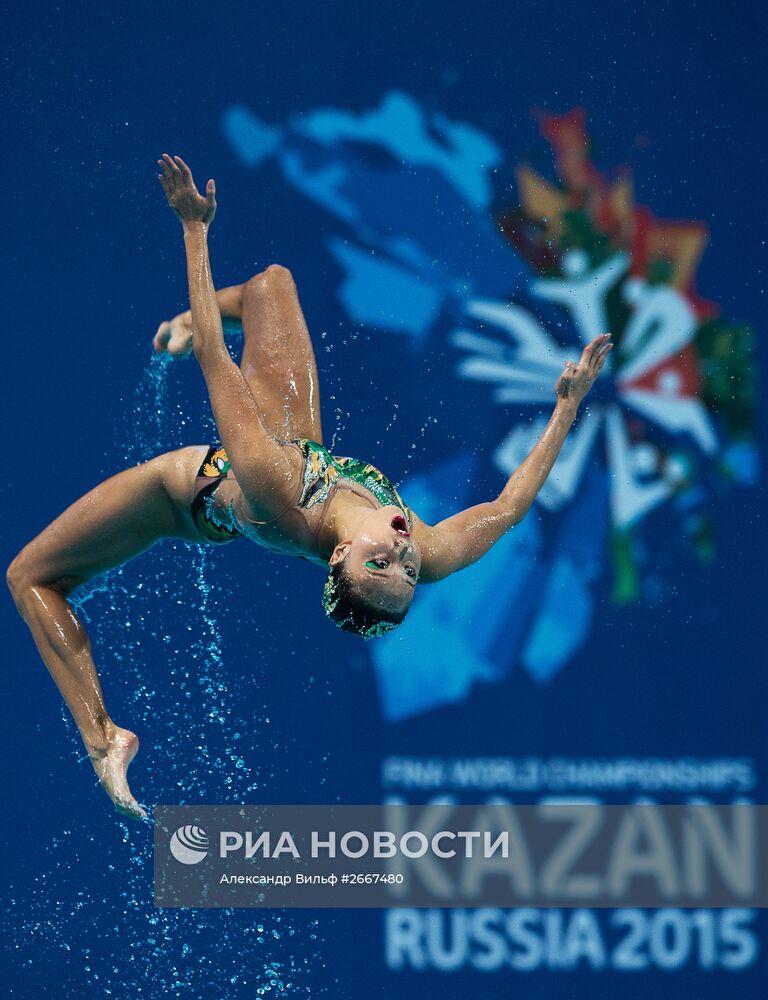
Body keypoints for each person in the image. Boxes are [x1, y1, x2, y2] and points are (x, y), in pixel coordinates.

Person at [7, 155, 612, 820]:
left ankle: (102, 738)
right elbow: (508, 506)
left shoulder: (274, 492)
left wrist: (193, 229)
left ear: (337, 559)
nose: (403, 553)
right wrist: (568, 404)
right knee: (274, 284)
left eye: (379, 563)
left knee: (31, 575)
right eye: (405, 570)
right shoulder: (430, 550)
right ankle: (184, 319)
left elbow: (215, 359)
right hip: (298, 440)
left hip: (195, 489)